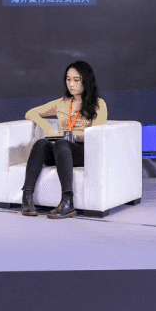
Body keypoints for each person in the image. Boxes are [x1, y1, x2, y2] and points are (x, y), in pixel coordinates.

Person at [20, 61, 108, 219]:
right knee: (41, 143)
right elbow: (30, 113)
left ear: (86, 81)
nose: (71, 84)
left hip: (81, 151)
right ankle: (27, 197)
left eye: (76, 80)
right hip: (60, 150)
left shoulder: (98, 104)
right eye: (68, 79)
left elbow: (96, 133)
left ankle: (67, 202)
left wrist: (72, 136)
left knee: (61, 143)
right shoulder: (62, 103)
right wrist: (47, 127)